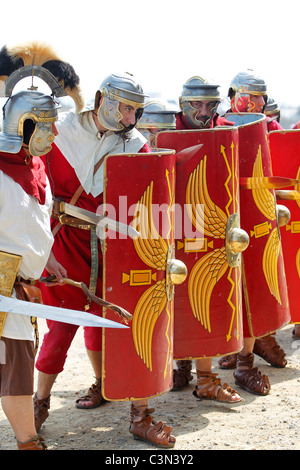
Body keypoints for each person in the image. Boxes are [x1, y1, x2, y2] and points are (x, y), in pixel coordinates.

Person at [34, 72, 176, 448]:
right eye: (125, 108)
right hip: (66, 244)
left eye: (135, 110)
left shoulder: (137, 145)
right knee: (61, 330)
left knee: (120, 323)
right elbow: (37, 191)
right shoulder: (60, 133)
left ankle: (135, 410)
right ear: (103, 99)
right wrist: (41, 248)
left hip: (117, 251)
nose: (130, 118)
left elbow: (152, 198)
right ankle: (39, 403)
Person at [170, 76, 242, 404]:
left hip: (209, 228)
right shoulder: (163, 129)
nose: (203, 111)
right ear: (183, 103)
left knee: (205, 298)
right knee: (177, 299)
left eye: (210, 105)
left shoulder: (224, 129)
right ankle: (182, 366)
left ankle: (206, 378)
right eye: (196, 105)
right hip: (170, 224)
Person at [217, 71, 288, 390]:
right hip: (222, 219)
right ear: (236, 95)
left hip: (257, 221)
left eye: (262, 96)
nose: (260, 102)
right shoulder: (217, 126)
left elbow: (276, 170)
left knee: (256, 288)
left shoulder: (269, 126)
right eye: (254, 95)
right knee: (224, 291)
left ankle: (247, 361)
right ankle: (223, 353)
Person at [0, 89, 59, 450]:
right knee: (16, 370)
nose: (54, 135)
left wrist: (47, 258)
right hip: (3, 290)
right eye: (48, 127)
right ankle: (28, 444)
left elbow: (34, 222)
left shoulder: (34, 166)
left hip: (23, 287)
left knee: (17, 364)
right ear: (25, 125)